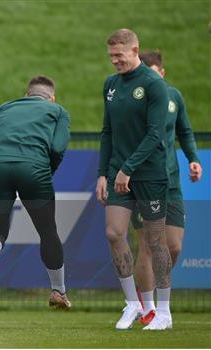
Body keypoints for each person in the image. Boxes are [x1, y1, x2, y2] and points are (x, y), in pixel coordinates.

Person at [0, 75, 72, 310]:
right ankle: (58, 291)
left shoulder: (4, 109)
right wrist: (44, 171)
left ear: (26, 95)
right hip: (33, 168)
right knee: (48, 232)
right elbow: (58, 147)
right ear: (51, 98)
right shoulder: (58, 111)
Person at [96, 29, 172, 330]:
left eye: (119, 55)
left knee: (155, 240)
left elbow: (155, 134)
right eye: (111, 56)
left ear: (135, 50)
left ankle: (164, 312)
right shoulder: (110, 85)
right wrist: (104, 173)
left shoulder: (154, 84)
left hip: (149, 172)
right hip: (118, 172)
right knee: (114, 233)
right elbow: (107, 132)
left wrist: (128, 168)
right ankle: (134, 305)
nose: (115, 61)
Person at [130, 50, 202, 325]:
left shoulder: (174, 97)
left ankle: (152, 299)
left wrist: (193, 159)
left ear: (163, 72)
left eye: (155, 72)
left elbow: (184, 132)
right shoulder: (133, 99)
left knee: (173, 246)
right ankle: (150, 309)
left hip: (171, 183)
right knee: (149, 246)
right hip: (143, 183)